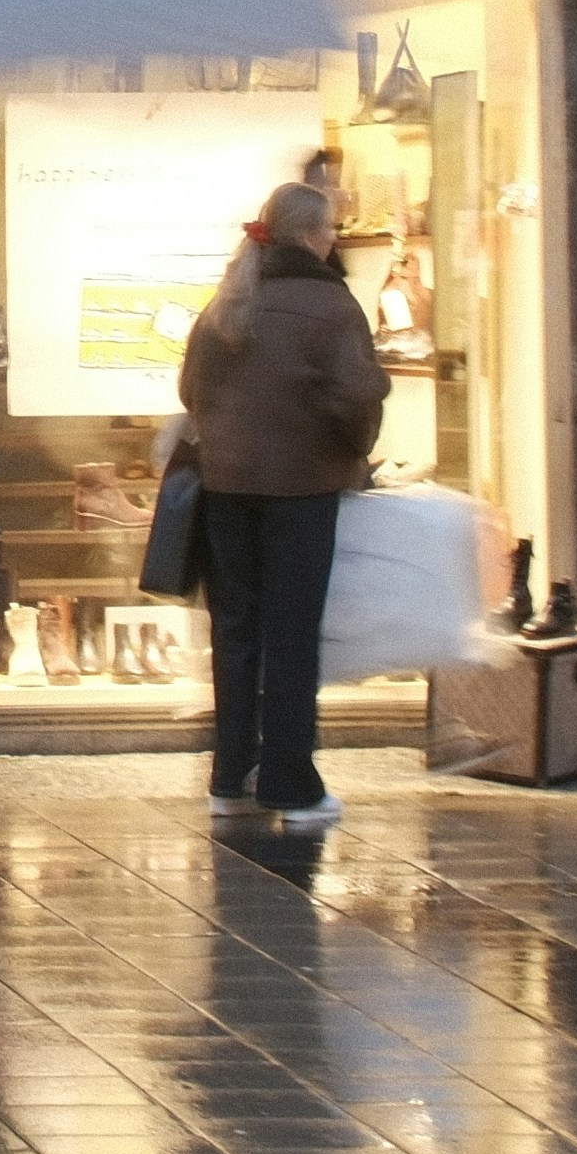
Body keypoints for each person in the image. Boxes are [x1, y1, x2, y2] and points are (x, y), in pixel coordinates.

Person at [171, 174, 386, 829]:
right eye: (330, 230)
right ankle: (290, 785)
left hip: (226, 488)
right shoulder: (332, 306)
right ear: (311, 235)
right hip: (300, 489)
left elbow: (191, 390)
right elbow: (358, 397)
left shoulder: (231, 299)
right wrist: (353, 451)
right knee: (291, 636)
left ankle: (229, 777)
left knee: (235, 633)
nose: (334, 241)